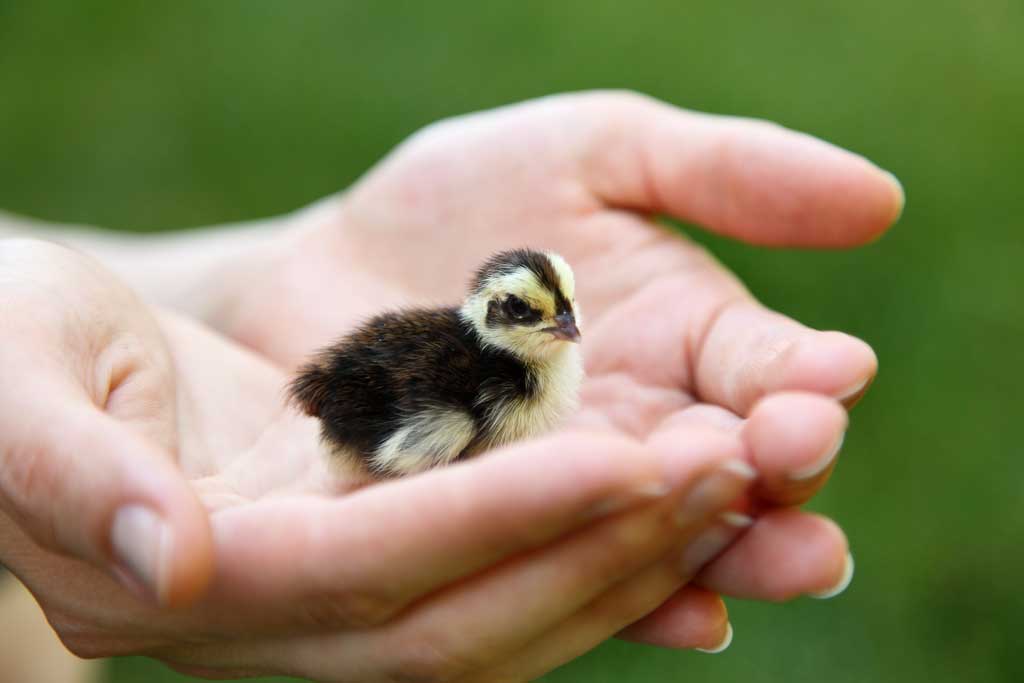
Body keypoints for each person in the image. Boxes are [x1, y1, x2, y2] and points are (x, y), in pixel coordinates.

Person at [0, 91, 901, 682]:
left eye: (567, 311)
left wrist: (223, 287)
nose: (566, 330)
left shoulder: (503, 358)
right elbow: (416, 419)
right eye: (540, 317)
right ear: (494, 317)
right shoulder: (493, 388)